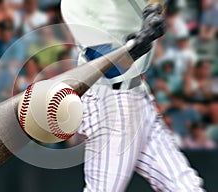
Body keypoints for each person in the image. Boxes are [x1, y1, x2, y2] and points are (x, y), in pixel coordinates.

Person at [61, 0, 204, 191]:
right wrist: (138, 45)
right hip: (109, 99)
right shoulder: (75, 5)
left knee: (186, 186)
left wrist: (153, 10)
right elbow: (109, 67)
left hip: (138, 94)